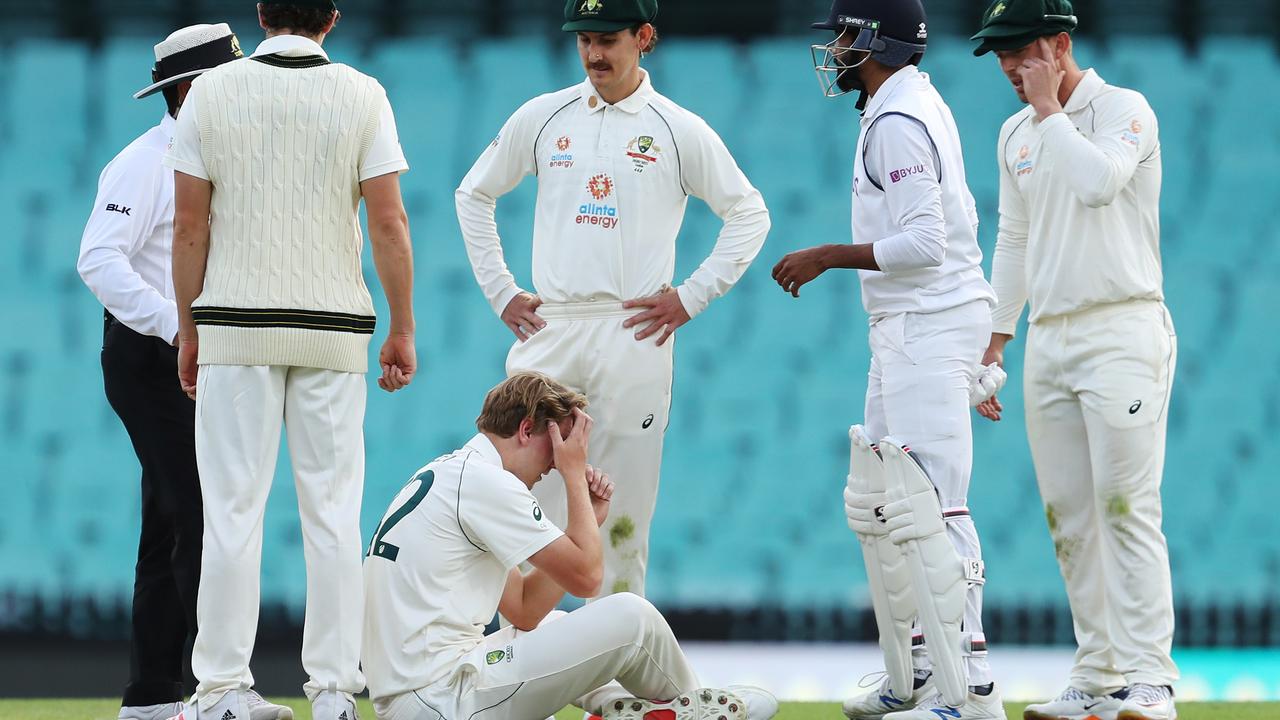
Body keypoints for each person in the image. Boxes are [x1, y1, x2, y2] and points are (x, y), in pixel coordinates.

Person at [455, 0, 770, 601]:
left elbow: (749, 212)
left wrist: (692, 296)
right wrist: (501, 292)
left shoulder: (677, 127)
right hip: (552, 327)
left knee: (622, 503)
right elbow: (473, 195)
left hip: (634, 330)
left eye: (607, 40)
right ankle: (526, 664)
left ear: (644, 37)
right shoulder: (545, 117)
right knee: (523, 496)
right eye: (584, 41)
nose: (594, 54)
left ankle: (616, 669)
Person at [163, 1, 416, 718]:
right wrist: (402, 326)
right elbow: (389, 221)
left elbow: (189, 225)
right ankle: (335, 690)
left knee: (233, 511)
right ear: (331, 18)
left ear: (262, 13)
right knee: (334, 514)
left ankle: (218, 692)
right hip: (332, 332)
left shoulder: (210, 90)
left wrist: (189, 329)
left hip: (235, 331)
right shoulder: (363, 93)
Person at [771, 1, 1006, 717]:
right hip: (910, 324)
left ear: (874, 40)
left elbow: (926, 242)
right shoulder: (901, 105)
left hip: (927, 322)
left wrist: (827, 256)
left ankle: (970, 686)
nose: (836, 50)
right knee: (885, 501)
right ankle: (915, 670)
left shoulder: (899, 122)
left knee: (934, 502)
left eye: (844, 36)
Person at [77, 23, 291, 720]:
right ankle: (219, 689)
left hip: (191, 354)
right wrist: (179, 326)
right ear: (191, 91)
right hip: (150, 357)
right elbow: (99, 261)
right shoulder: (143, 163)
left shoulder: (213, 157)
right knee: (203, 512)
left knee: (172, 523)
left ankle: (150, 697)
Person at [970, 1, 1178, 718]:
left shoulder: (1126, 109)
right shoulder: (1013, 135)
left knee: (1126, 506)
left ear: (1060, 45)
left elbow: (1098, 184)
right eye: (998, 55)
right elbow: (1016, 240)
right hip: (1051, 338)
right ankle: (1099, 677)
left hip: (1122, 326)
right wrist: (995, 338)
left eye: (1020, 51)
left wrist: (1051, 112)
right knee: (1070, 517)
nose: (1007, 68)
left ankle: (1153, 681)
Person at [361, 372, 777, 720]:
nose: (553, 465)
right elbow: (588, 578)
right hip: (441, 697)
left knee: (554, 623)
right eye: (557, 446)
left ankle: (628, 709)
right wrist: (575, 476)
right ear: (527, 429)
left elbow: (525, 608)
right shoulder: (488, 483)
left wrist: (588, 522)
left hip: (421, 698)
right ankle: (696, 710)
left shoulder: (456, 473)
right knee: (633, 617)